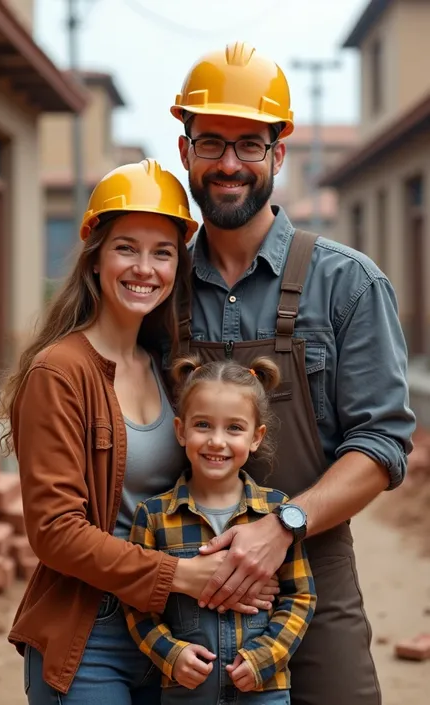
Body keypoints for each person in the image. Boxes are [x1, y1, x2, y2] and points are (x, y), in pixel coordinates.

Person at [166, 42, 416, 705]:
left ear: (279, 154)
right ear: (185, 149)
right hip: (185, 579)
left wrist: (282, 526)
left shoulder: (347, 283)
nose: (229, 164)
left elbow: (383, 443)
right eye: (211, 142)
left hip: (315, 571)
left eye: (250, 144)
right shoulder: (157, 292)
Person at [0, 159, 275, 705]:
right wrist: (187, 576)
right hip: (91, 632)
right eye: (126, 247)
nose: (144, 268)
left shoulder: (166, 369)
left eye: (162, 252)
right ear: (95, 257)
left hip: (173, 635)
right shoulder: (61, 371)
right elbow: (55, 531)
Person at [124, 356, 316, 705]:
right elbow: (137, 606)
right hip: (186, 693)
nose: (216, 441)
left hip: (263, 692)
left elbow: (299, 597)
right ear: (180, 430)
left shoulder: (276, 513)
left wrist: (264, 657)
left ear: (257, 437)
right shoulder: (153, 516)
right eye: (203, 425)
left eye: (234, 428)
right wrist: (171, 655)